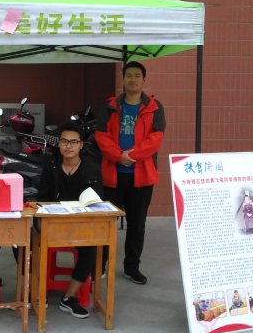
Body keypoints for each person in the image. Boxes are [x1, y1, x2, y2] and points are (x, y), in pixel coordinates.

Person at [94, 61, 165, 285]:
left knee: (137, 224)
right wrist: (118, 156)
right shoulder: (110, 106)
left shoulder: (154, 107)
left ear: (144, 80)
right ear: (123, 79)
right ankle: (100, 264)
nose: (133, 79)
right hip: (112, 176)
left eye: (137, 76)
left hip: (141, 177)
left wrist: (131, 155)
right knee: (106, 222)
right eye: (129, 75)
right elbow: (101, 135)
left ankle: (132, 267)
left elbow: (156, 138)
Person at [36, 122, 103, 319]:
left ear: (81, 145)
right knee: (24, 244)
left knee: (91, 249)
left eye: (74, 142)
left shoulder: (91, 169)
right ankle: (37, 292)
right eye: (64, 141)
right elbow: (42, 197)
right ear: (59, 144)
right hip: (53, 224)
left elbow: (97, 198)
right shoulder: (51, 167)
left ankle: (69, 297)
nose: (68, 146)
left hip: (80, 224)